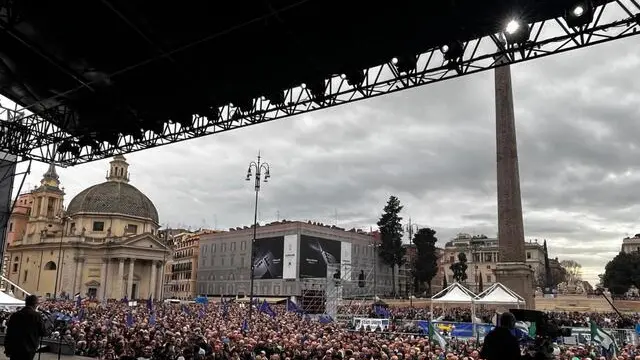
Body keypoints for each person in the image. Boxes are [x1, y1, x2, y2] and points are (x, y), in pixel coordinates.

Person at [4, 295, 46, 360]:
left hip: (15, 348)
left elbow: (9, 333)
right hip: (29, 349)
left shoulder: (15, 315)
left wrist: (7, 348)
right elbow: (43, 332)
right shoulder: (37, 316)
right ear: (35, 304)